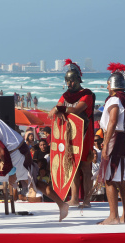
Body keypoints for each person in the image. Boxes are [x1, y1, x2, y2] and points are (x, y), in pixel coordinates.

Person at [48, 58, 95, 208]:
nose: (70, 84)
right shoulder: (66, 95)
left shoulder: (87, 95)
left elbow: (75, 110)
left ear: (78, 79)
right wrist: (58, 109)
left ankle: (87, 200)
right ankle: (74, 198)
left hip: (85, 135)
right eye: (68, 81)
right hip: (69, 137)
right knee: (72, 167)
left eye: (72, 81)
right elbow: (52, 112)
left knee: (85, 168)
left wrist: (61, 109)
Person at [96, 62, 125, 225]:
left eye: (107, 84)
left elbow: (112, 122)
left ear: (111, 85)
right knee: (120, 180)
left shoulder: (114, 99)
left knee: (110, 179)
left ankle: (113, 216)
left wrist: (105, 144)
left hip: (115, 139)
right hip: (123, 140)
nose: (106, 87)